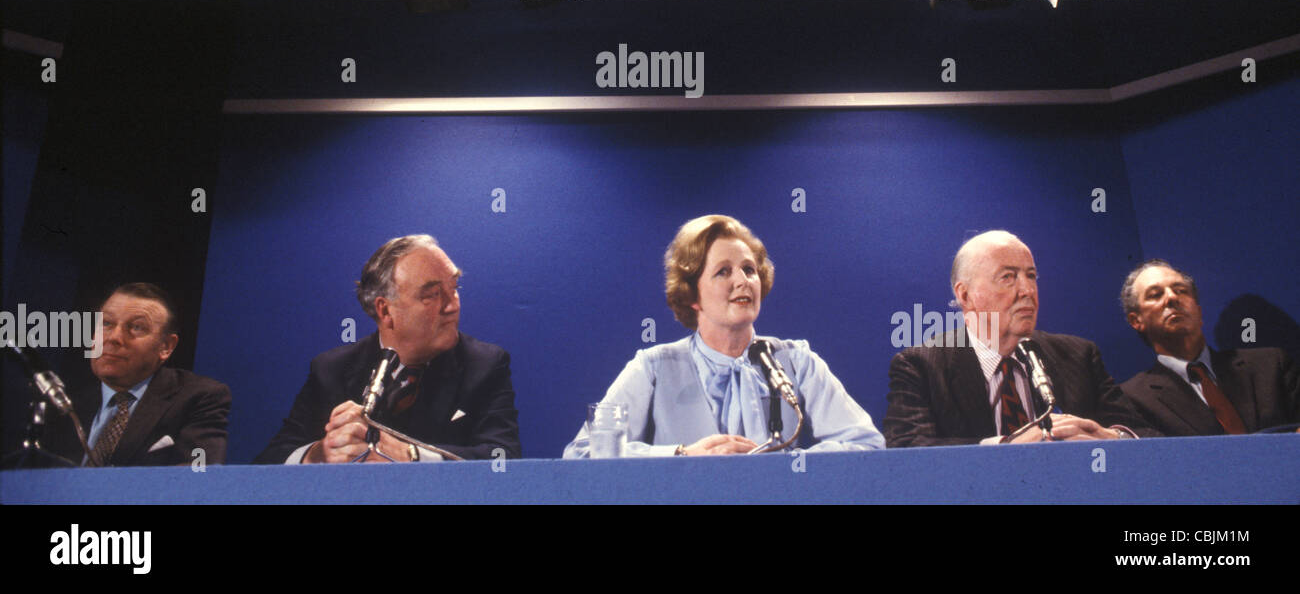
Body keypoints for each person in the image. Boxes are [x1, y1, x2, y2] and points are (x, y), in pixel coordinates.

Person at [563, 215, 883, 457]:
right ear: (692, 295)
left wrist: (786, 467)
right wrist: (681, 454)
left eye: (749, 269)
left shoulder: (797, 361)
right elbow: (583, 453)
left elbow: (867, 444)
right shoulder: (653, 368)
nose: (743, 281)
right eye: (723, 271)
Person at [256, 234, 521, 463]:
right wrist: (319, 454)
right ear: (385, 310)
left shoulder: (485, 364)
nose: (452, 306)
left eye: (454, 287)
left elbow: (503, 457)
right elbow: (269, 462)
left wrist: (409, 455)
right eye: (432, 295)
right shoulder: (331, 369)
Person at [883, 230, 1149, 446]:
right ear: (965, 296)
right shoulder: (921, 365)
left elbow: (1146, 435)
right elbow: (908, 448)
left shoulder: (1078, 355)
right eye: (1008, 277)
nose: (1027, 290)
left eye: (1031, 276)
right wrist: (1006, 447)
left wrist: (1111, 437)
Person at [48, 282, 231, 466]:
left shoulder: (197, 398)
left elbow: (199, 474)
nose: (114, 337)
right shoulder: (64, 405)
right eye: (106, 323)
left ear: (166, 347)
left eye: (136, 327)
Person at [1119, 260, 1300, 436]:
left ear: (1199, 311)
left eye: (1181, 291)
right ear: (1136, 320)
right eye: (1155, 295)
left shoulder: (1271, 365)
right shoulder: (1133, 398)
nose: (1172, 297)